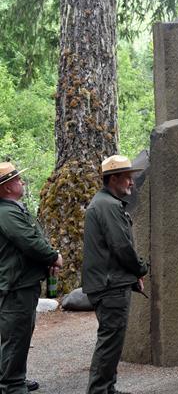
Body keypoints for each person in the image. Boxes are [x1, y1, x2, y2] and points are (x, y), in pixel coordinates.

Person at [82, 155, 148, 394]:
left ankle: (107, 388)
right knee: (109, 343)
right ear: (114, 178)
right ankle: (99, 390)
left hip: (109, 283)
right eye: (128, 178)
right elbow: (122, 247)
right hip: (110, 287)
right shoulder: (108, 206)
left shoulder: (104, 203)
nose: (132, 182)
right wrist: (140, 268)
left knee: (113, 341)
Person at [0, 162, 63, 393]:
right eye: (18, 180)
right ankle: (12, 384)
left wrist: (46, 262)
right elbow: (29, 241)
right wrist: (53, 256)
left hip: (22, 283)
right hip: (17, 286)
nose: (22, 182)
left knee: (20, 334)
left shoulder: (12, 209)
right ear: (6, 187)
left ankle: (13, 377)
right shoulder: (6, 212)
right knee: (16, 336)